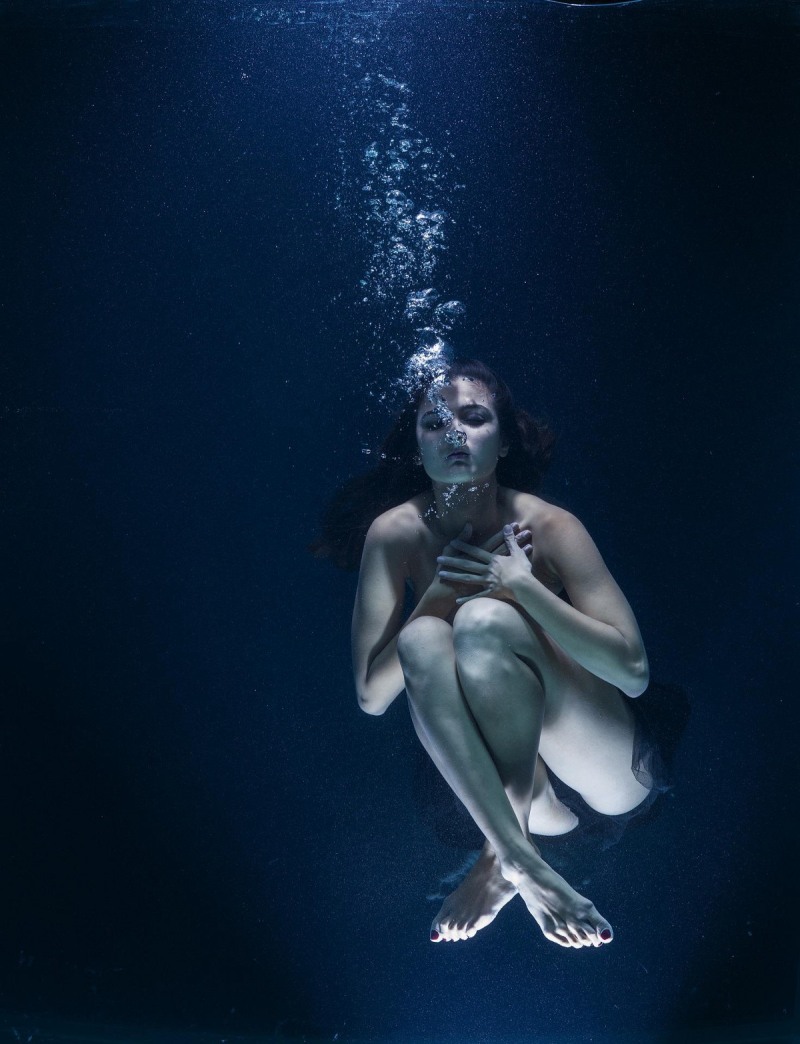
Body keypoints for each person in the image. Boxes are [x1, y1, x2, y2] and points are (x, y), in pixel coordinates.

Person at [313, 359, 667, 949]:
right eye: (433, 424)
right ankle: (518, 862)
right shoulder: (395, 534)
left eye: (474, 418)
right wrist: (436, 594)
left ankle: (499, 858)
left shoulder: (549, 526)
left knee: (484, 619)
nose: (454, 434)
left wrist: (522, 586)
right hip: (526, 796)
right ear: (417, 446)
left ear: (502, 442)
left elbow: (633, 674)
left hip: (602, 771)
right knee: (422, 635)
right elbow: (372, 697)